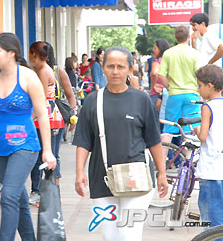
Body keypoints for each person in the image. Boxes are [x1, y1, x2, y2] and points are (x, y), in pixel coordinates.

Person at [74, 47, 168, 241]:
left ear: (130, 69)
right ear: (102, 68)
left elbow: (153, 139)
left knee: (128, 235)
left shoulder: (141, 99)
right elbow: (83, 140)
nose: (115, 71)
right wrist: (79, 172)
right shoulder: (92, 101)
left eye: (120, 66)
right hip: (102, 179)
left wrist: (162, 173)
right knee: (110, 236)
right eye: (110, 66)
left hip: (137, 178)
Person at [0, 33, 56, 241]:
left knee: (8, 196)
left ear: (11, 53)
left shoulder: (28, 76)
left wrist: (48, 151)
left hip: (25, 144)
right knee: (19, 198)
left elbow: (43, 114)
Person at [28, 41, 65, 204]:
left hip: (47, 118)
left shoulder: (43, 71)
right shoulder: (46, 69)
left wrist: (29, 119)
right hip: (52, 117)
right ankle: (50, 192)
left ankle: (41, 192)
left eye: (30, 54)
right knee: (50, 156)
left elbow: (40, 99)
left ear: (35, 55)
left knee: (43, 157)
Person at [158, 25, 200, 144]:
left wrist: (169, 87)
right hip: (192, 95)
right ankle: (188, 159)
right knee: (190, 129)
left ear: (175, 37)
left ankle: (163, 159)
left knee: (169, 129)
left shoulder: (168, 53)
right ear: (188, 36)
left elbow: (161, 75)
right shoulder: (195, 53)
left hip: (174, 95)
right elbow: (199, 75)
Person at [193, 65, 223, 232]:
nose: (199, 90)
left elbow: (203, 136)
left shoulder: (207, 107)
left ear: (210, 86)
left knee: (211, 221)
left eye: (200, 85)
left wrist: (197, 130)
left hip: (211, 172)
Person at [149, 39, 170, 106]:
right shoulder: (170, 60)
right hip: (169, 93)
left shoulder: (157, 61)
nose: (153, 50)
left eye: (155, 48)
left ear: (160, 49)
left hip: (157, 93)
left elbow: (154, 73)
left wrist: (154, 84)